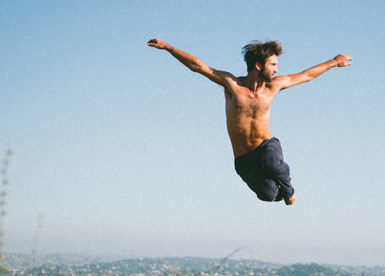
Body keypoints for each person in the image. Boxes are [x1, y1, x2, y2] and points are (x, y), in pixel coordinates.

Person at [147, 38, 352, 206]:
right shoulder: (232, 85)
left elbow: (307, 75)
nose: (276, 70)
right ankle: (279, 191)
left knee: (272, 163)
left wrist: (334, 62)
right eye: (272, 65)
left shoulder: (274, 87)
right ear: (257, 65)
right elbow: (198, 66)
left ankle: (289, 191)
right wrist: (168, 47)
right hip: (244, 159)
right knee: (268, 195)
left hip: (266, 146)